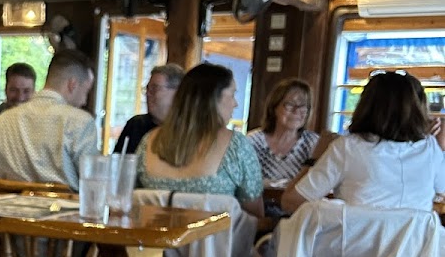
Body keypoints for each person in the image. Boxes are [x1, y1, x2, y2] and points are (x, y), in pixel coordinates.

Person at [281, 71, 445, 215]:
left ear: (365, 105)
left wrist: (316, 156)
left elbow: (291, 202)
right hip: (414, 249)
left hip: (355, 249)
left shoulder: (347, 147)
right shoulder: (430, 148)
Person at [138, 62, 264, 218]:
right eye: (232, 95)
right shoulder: (236, 146)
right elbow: (254, 215)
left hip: (151, 239)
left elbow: (130, 199)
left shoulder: (149, 141)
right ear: (212, 99)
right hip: (215, 242)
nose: (235, 104)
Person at [0, 50, 97, 190]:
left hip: (6, 209)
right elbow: (93, 185)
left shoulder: (3, 119)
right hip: (63, 209)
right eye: (86, 91)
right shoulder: (81, 121)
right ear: (72, 84)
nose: (84, 100)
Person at [248, 79, 319, 185]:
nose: (296, 111)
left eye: (303, 106)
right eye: (290, 104)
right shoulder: (252, 141)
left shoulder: (314, 143)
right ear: (274, 107)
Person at [114, 63, 184, 154]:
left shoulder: (186, 130)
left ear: (177, 93)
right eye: (147, 89)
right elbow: (118, 163)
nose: (148, 94)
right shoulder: (135, 125)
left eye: (154, 89)